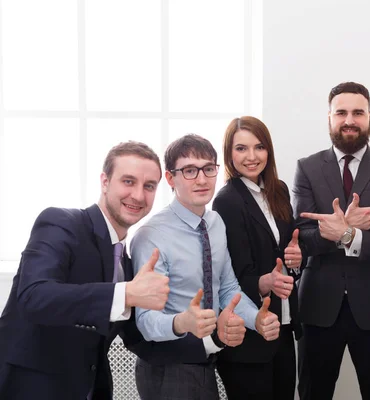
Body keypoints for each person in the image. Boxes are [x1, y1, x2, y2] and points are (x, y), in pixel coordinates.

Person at [0, 141, 170, 400]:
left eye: (149, 186)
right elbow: (34, 296)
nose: (138, 195)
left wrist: (189, 327)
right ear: (105, 182)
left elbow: (136, 338)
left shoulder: (124, 261)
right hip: (31, 387)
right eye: (128, 181)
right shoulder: (61, 222)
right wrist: (125, 294)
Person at [130, 133, 282, 400]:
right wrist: (182, 322)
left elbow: (227, 288)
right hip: (168, 366)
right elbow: (144, 322)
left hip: (207, 359)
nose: (201, 179)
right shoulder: (151, 236)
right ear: (170, 178)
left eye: (208, 169)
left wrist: (256, 319)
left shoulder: (214, 223)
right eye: (189, 171)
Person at [293, 81, 370, 399]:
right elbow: (302, 240)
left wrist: (341, 232)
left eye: (358, 112)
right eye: (341, 112)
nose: (349, 119)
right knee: (314, 393)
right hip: (318, 306)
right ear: (329, 118)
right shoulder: (307, 168)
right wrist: (351, 231)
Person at [212, 116, 303, 400]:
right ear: (229, 154)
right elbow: (234, 277)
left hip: (283, 326)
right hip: (249, 338)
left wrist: (297, 257)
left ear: (269, 151)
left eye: (259, 147)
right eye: (241, 149)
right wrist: (266, 281)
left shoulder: (280, 190)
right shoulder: (226, 200)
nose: (251, 157)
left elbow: (288, 249)